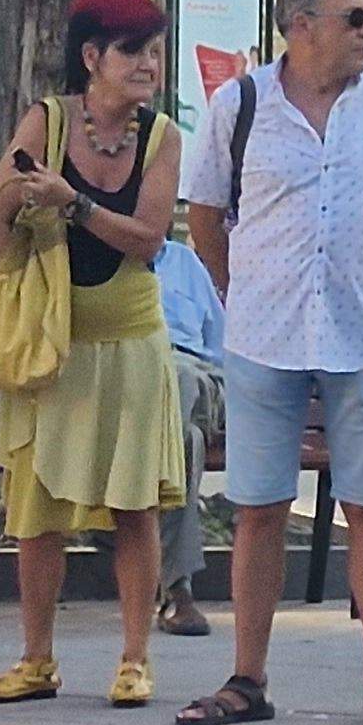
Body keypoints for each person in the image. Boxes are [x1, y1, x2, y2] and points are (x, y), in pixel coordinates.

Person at [172, 0, 363, 725]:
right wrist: (247, 287)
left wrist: (359, 272)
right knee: (259, 506)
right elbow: (205, 216)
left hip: (362, 332)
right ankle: (247, 677)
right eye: (352, 17)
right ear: (300, 26)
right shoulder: (241, 103)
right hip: (266, 334)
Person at [0, 0, 187, 711]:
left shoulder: (162, 137)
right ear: (91, 56)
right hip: (51, 343)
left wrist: (77, 204)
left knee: (135, 504)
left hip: (130, 341)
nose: (149, 65)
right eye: (133, 51)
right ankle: (36, 659)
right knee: (38, 509)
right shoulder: (47, 120)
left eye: (155, 51)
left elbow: (148, 239)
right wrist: (15, 195)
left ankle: (134, 660)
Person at [150, 237, 224, 638]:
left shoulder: (185, 262)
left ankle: (126, 529)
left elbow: (220, 346)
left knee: (178, 378)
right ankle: (178, 588)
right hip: (129, 378)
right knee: (187, 440)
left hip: (192, 374)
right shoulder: (96, 259)